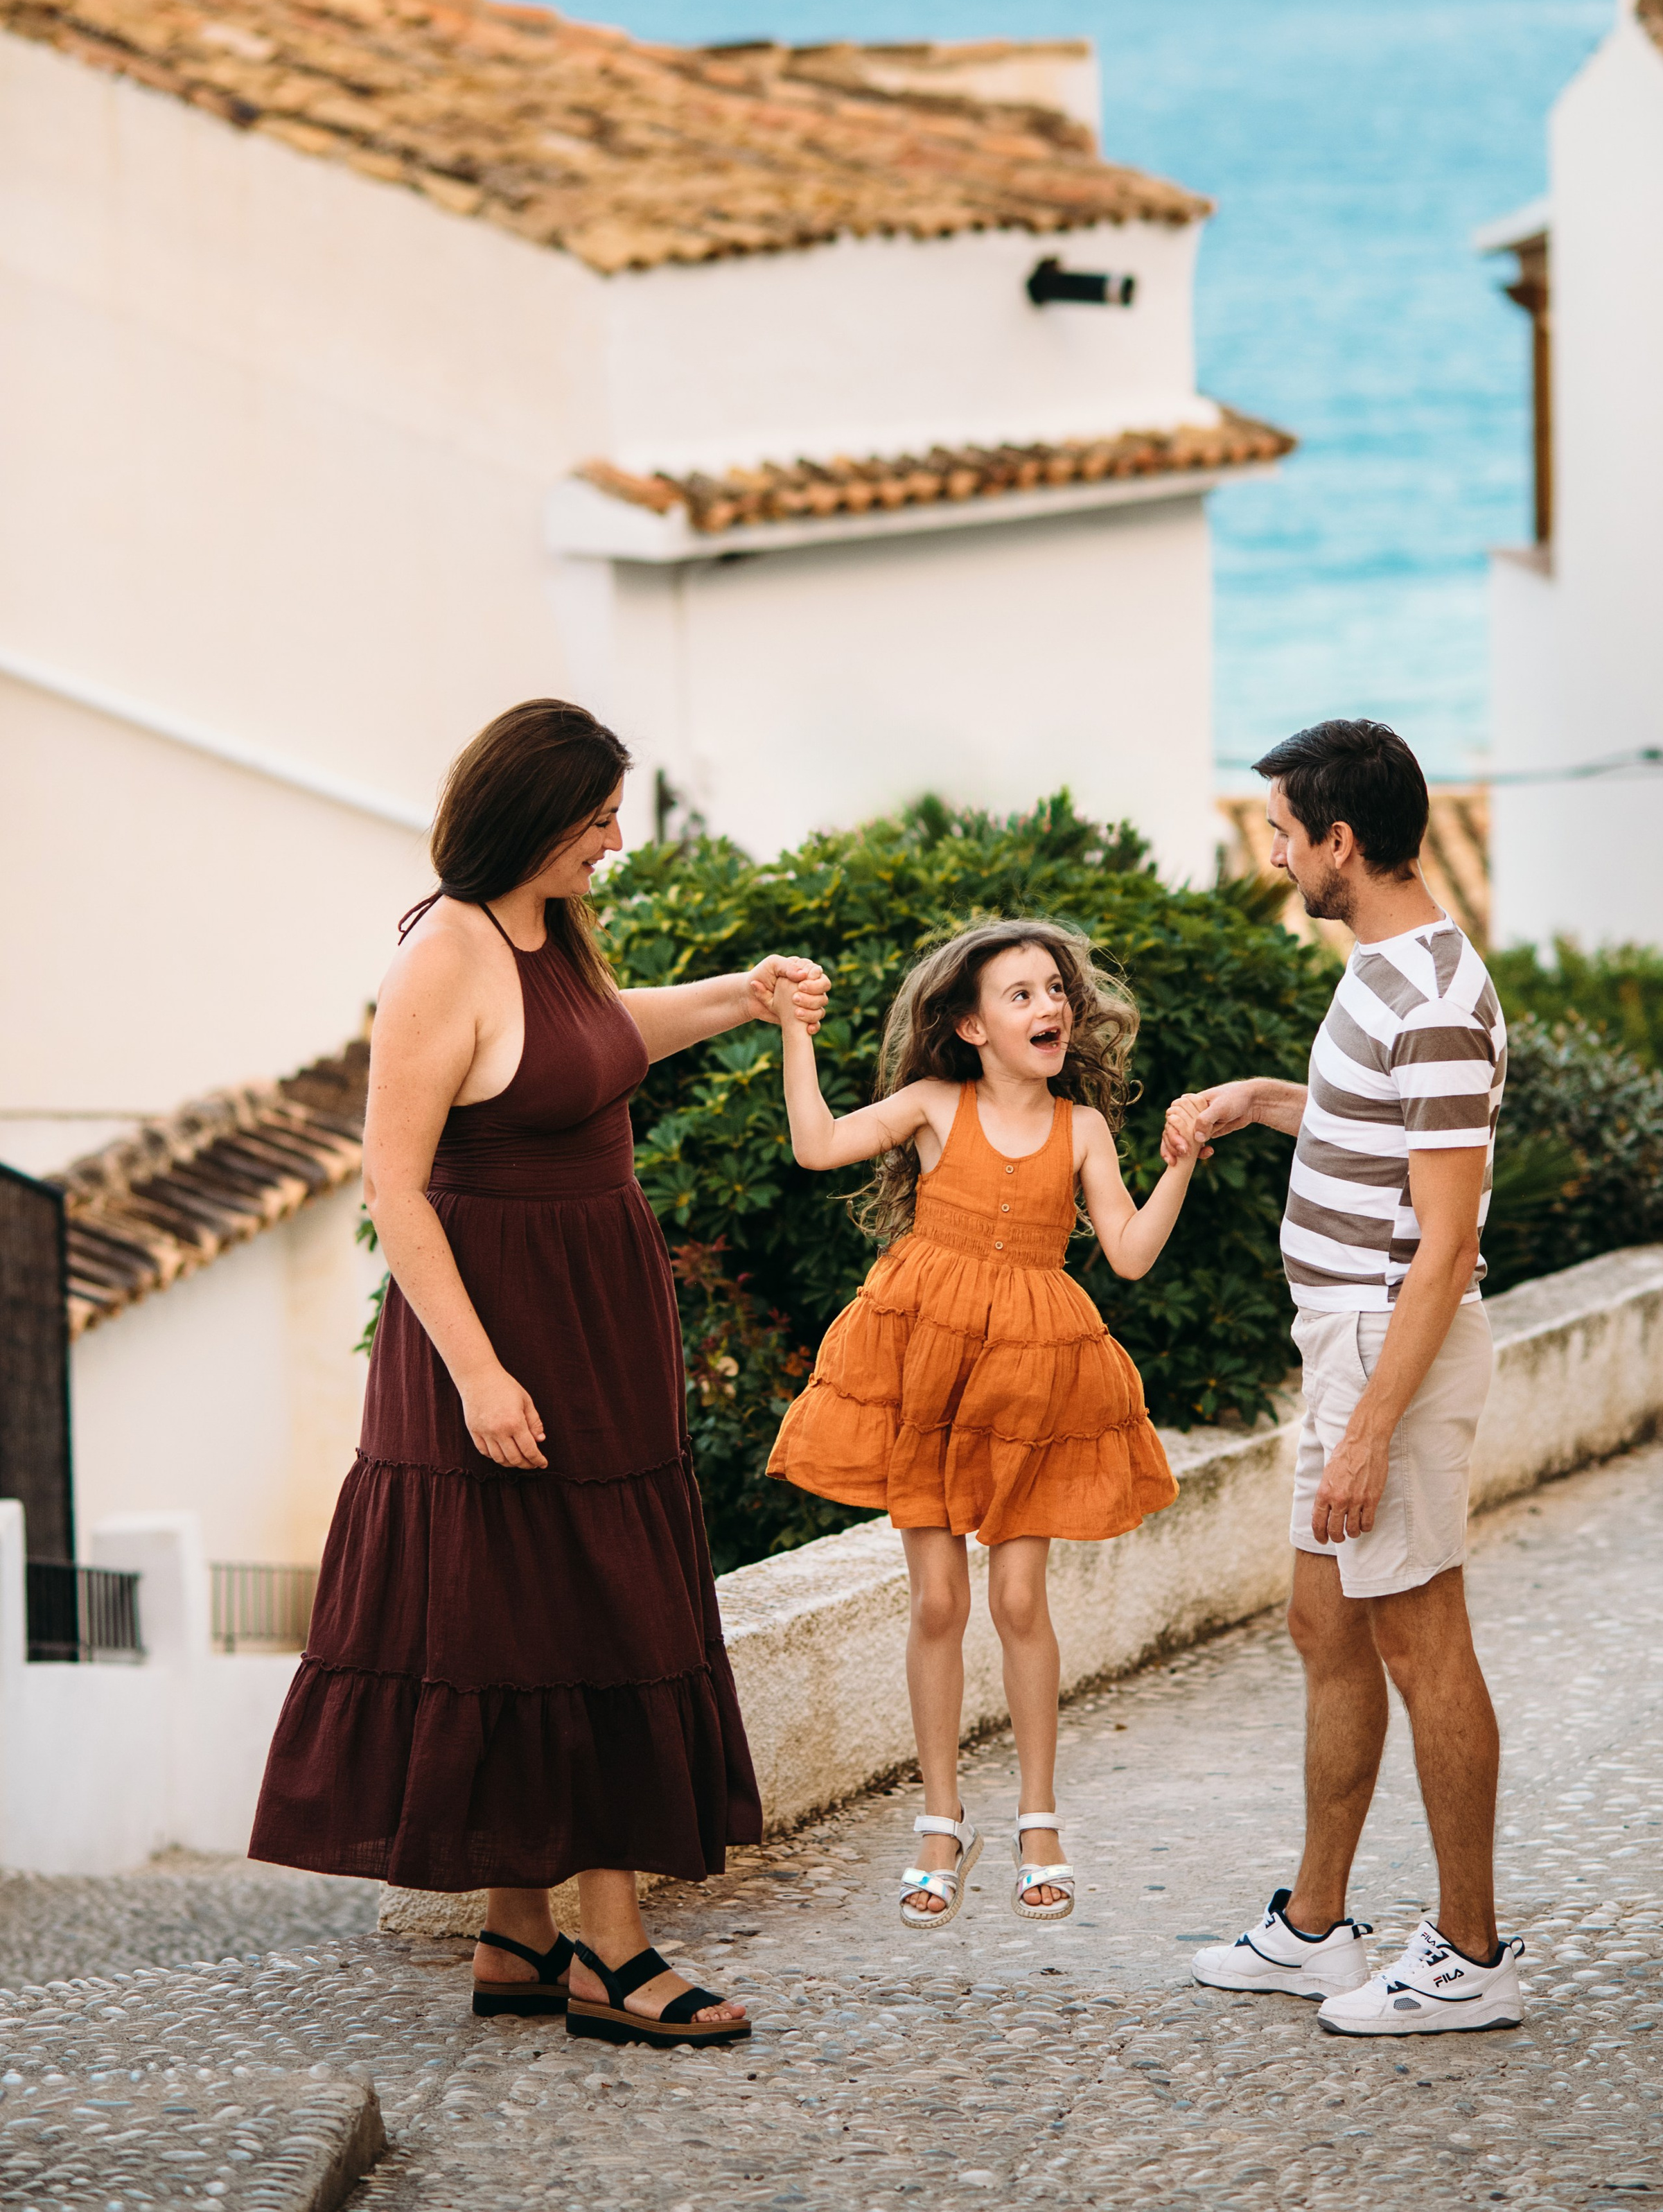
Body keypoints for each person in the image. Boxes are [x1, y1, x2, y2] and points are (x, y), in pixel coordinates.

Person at [250, 699, 830, 2053]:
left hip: (590, 1318)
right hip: (495, 1331)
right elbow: (392, 1185)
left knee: (533, 1616)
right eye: (596, 821)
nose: (616, 843)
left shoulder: (545, 932)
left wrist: (740, 997)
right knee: (581, 1616)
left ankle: (520, 1931)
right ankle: (611, 1955)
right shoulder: (440, 954)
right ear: (533, 818)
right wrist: (478, 1376)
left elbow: (587, 1040)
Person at [765, 920, 1203, 1927]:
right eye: (1020, 995)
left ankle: (1039, 1820)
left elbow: (1129, 1252)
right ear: (968, 1026)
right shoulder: (932, 1105)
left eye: (1056, 990)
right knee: (935, 1605)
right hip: (924, 1361)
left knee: (1015, 1599)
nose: (1049, 1006)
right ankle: (940, 1818)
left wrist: (1179, 1162)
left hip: (1032, 1378)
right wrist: (794, 1030)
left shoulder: (1083, 1127)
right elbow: (816, 1144)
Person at [1186, 719, 1518, 2035]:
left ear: (1343, 841)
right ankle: (1318, 1930)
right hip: (1346, 1346)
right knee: (1327, 1628)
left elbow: (1446, 1246)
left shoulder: (1434, 998)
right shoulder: (1382, 968)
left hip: (1392, 1352)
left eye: (1283, 832)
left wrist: (1370, 1429)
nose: (1273, 855)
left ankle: (1474, 1956)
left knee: (1425, 1643)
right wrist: (1262, 1100)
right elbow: (1377, 1132)